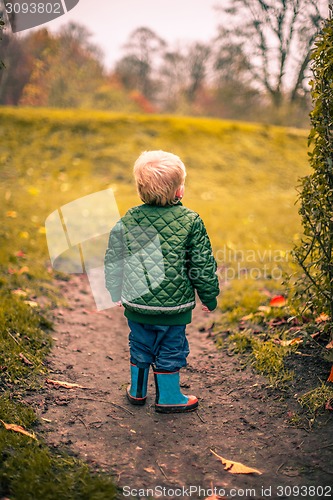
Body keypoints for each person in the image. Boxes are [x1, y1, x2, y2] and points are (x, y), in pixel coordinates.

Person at [104, 150, 219, 413]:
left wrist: (115, 291)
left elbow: (114, 259)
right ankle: (169, 397)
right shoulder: (191, 221)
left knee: (140, 343)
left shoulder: (129, 218)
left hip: (137, 304)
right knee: (170, 349)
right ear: (179, 191)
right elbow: (201, 264)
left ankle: (137, 391)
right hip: (173, 309)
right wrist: (209, 296)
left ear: (140, 190)